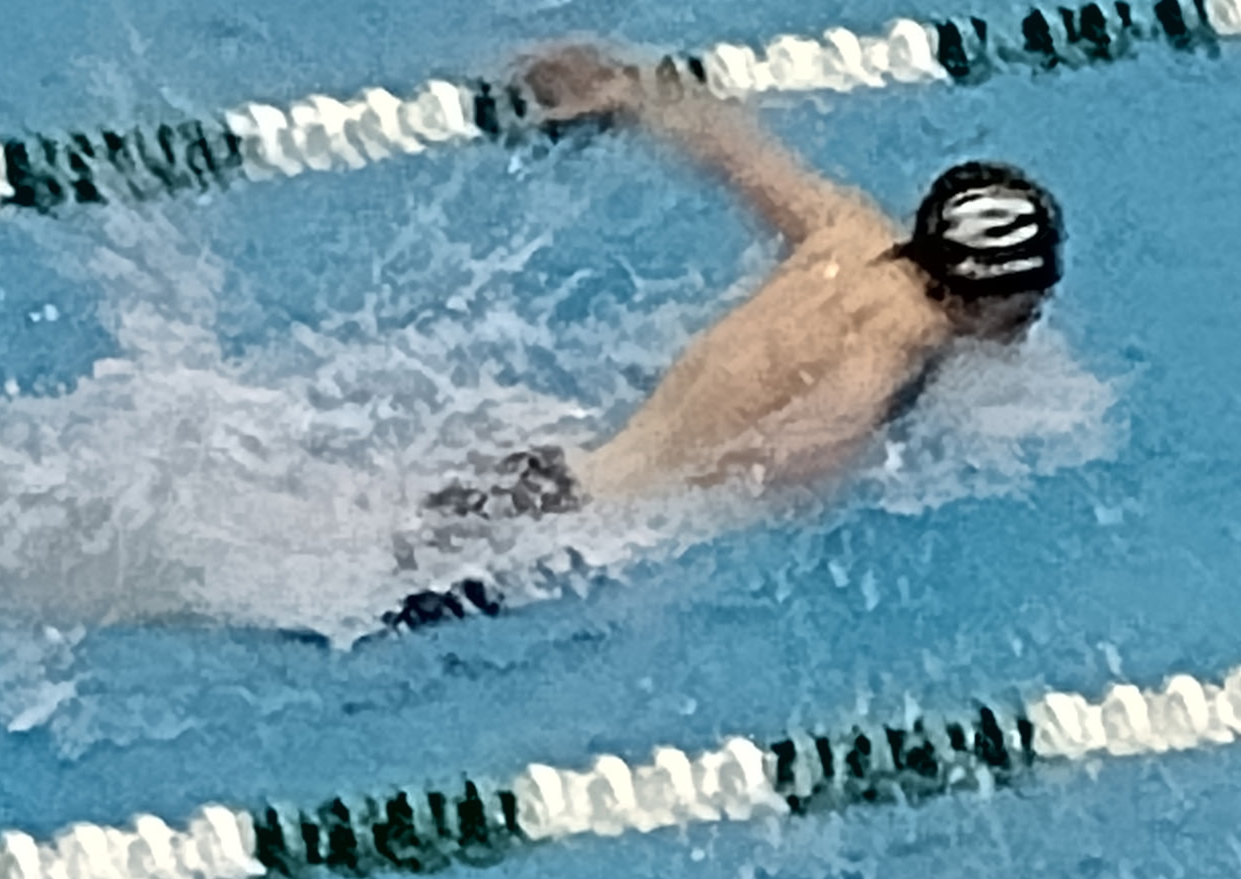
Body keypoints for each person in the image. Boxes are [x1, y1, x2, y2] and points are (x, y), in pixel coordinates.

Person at [426, 41, 1064, 521]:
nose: (1038, 308)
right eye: (1028, 296)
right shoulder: (903, 339)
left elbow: (735, 151)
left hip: (555, 474)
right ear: (984, 293)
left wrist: (627, 89)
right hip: (578, 535)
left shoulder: (851, 230)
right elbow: (784, 464)